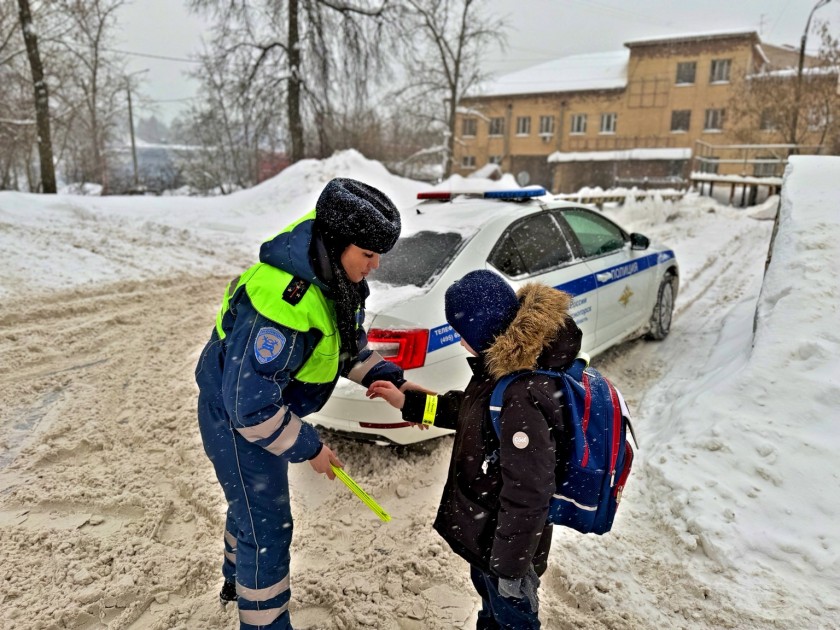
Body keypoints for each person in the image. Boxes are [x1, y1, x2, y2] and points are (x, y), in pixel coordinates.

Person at [196, 177, 417, 630]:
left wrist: (385, 378)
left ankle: (234, 581)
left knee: (250, 508)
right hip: (235, 414)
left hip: (261, 406)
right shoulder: (281, 303)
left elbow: (341, 343)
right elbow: (250, 407)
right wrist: (311, 448)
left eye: (379, 256)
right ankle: (264, 622)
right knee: (268, 527)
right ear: (338, 243)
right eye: (368, 255)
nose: (374, 266)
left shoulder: (334, 275)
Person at [368, 270, 583, 629]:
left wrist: (510, 570)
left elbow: (530, 492)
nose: (459, 341)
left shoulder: (520, 392)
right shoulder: (504, 370)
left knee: (511, 617)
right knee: (493, 611)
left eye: (460, 333)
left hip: (507, 549)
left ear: (481, 332)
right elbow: (471, 412)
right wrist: (410, 402)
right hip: (491, 540)